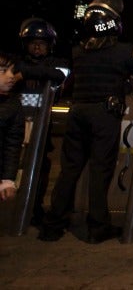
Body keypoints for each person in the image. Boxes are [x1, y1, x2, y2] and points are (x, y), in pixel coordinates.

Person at [39, 0, 133, 244]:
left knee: (69, 170)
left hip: (77, 112)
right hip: (104, 114)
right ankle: (97, 227)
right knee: (100, 171)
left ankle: (52, 225)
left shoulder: (78, 51)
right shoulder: (123, 51)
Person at [13, 17, 70, 226]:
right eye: (33, 43)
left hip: (40, 127)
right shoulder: (15, 63)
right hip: (15, 125)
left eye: (42, 44)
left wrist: (25, 72)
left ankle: (34, 208)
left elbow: (58, 77)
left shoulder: (58, 65)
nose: (37, 48)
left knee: (39, 170)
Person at [0, 51, 23, 202]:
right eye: (3, 71)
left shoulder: (13, 104)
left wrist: (8, 180)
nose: (11, 76)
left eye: (12, 71)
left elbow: (12, 145)